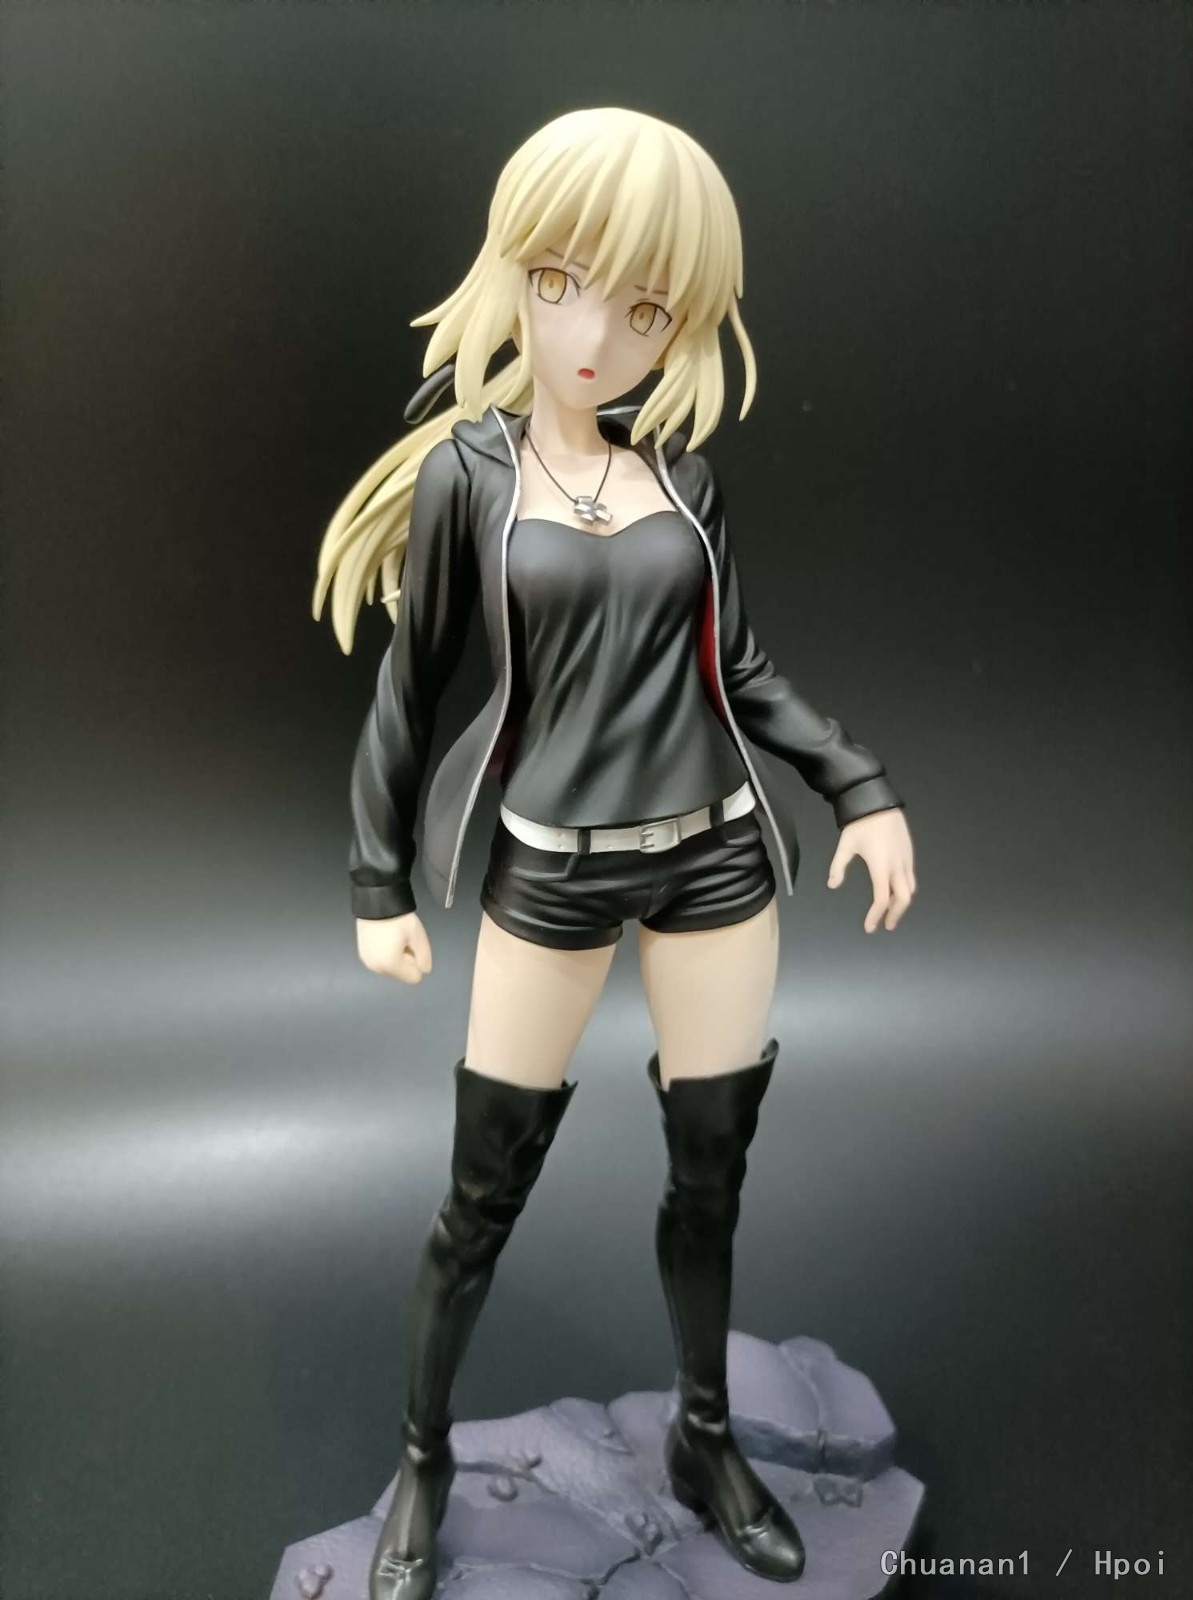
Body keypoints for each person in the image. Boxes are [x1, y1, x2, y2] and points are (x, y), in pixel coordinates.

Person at [313, 106, 916, 1600]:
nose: (595, 335)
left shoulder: (683, 480)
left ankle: (706, 1438)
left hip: (715, 859)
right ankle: (422, 1459)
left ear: (685, 323)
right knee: (480, 1197)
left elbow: (742, 669)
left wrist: (862, 788)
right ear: (512, 272)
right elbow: (412, 686)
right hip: (553, 867)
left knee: (711, 1179)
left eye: (646, 308)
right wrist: (378, 879)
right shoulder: (471, 475)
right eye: (562, 281)